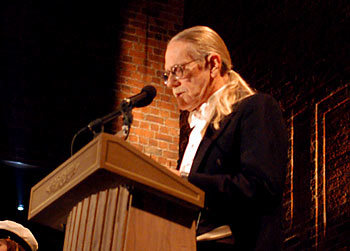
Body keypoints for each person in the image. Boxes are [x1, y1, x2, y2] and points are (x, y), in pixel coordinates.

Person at [163, 26, 288, 250]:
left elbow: (260, 187)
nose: (170, 83)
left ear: (212, 64)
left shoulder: (256, 108)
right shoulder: (197, 131)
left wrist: (181, 182)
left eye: (178, 70)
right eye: (167, 74)